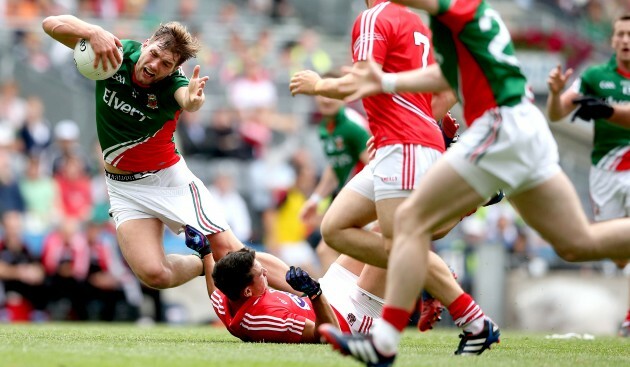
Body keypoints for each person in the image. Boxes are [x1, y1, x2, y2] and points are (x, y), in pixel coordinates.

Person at [318, 1, 630, 366]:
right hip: (524, 126)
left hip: (499, 127)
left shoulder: (456, 8)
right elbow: (446, 79)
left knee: (409, 223)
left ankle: (386, 341)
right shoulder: (458, 22)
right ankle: (445, 318)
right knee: (577, 243)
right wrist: (387, 83)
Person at [290, 0, 497, 348]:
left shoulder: (374, 17)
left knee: (400, 245)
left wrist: (318, 85)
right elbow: (446, 89)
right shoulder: (417, 24)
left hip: (404, 146)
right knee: (335, 227)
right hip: (396, 144)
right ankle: (429, 277)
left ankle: (470, 319)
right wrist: (417, 121)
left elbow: (363, 79)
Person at [41, 16, 292, 293]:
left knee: (231, 252)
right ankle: (201, 262)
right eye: (155, 54)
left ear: (174, 69)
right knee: (154, 275)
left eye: (166, 64)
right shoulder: (116, 53)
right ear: (146, 44)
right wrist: (93, 31)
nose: (154, 65)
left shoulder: (174, 84)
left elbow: (188, 99)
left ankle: (311, 291)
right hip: (123, 188)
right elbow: (50, 24)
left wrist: (194, 101)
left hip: (167, 180)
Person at [546, 14, 630, 337]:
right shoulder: (595, 75)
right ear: (611, 41)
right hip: (605, 172)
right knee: (619, 256)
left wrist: (607, 110)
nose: (625, 40)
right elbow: (557, 113)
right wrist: (554, 94)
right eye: (620, 34)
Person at [204, 246, 384, 343]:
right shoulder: (267, 318)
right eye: (260, 273)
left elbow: (214, 292)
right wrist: (315, 294)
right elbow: (326, 334)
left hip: (328, 293)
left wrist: (205, 252)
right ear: (248, 291)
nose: (266, 272)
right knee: (386, 248)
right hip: (348, 319)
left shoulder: (227, 297)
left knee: (375, 236)